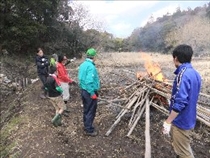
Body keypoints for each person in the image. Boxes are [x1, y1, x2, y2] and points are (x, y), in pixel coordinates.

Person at [162, 44, 201, 158]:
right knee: (182, 148)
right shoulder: (195, 74)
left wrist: (168, 121)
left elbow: (180, 103)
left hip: (181, 121)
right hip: (190, 118)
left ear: (176, 58)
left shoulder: (182, 74)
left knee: (184, 153)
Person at [78, 48, 100, 136]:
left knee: (86, 109)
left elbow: (80, 78)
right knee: (91, 110)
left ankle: (86, 125)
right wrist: (92, 93)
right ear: (94, 56)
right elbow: (89, 81)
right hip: (89, 92)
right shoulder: (91, 66)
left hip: (84, 90)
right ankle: (89, 130)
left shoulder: (83, 64)